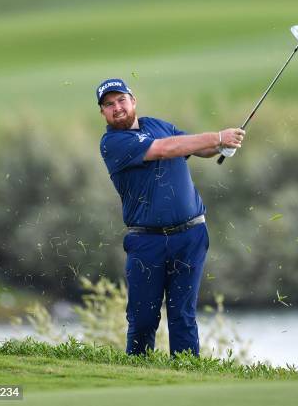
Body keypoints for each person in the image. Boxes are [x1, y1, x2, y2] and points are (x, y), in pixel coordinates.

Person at [96, 78, 245, 356]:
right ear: (103, 112)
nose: (117, 107)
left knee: (183, 316)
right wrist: (217, 137)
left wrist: (222, 147)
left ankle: (187, 377)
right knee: (142, 319)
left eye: (121, 100)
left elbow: (193, 147)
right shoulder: (113, 143)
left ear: (133, 101)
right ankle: (139, 377)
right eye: (109, 104)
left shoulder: (157, 125)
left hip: (190, 235)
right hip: (147, 242)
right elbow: (165, 149)